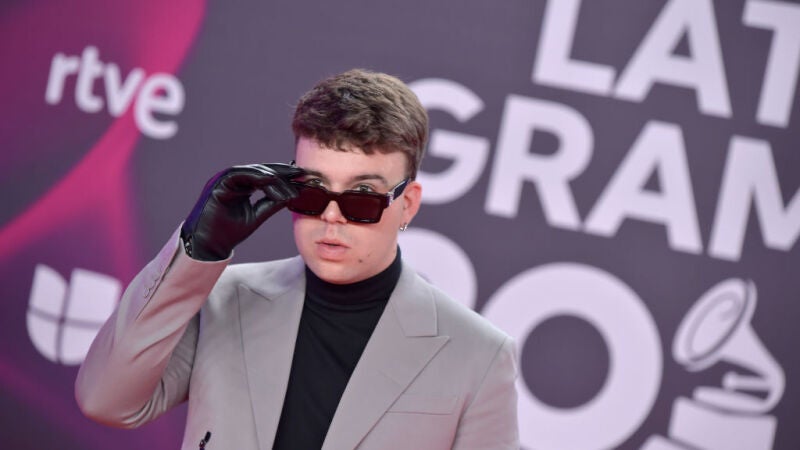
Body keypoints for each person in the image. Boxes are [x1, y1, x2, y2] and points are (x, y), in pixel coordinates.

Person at [76, 68, 519, 450]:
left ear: (408, 204)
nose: (331, 216)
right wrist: (197, 252)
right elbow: (105, 401)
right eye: (311, 191)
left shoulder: (478, 356)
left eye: (362, 197)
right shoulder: (224, 299)